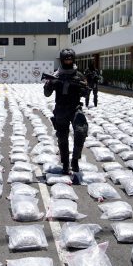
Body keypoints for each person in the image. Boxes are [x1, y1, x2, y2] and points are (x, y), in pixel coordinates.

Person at [44, 49, 90, 182]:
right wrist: (50, 83)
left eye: (70, 59)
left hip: (75, 108)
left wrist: (85, 90)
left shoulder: (79, 76)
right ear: (62, 60)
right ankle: (65, 163)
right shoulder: (56, 75)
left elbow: (84, 94)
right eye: (66, 60)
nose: (68, 62)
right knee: (62, 138)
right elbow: (47, 94)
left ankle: (75, 160)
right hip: (61, 109)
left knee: (81, 132)